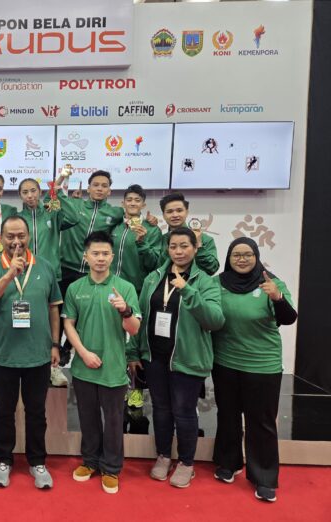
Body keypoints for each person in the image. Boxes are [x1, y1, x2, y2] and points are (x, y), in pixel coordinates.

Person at [127, 227, 224, 488]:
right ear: (167, 249)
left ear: (195, 248)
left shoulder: (205, 281)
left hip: (187, 358)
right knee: (161, 409)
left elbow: (215, 320)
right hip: (155, 357)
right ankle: (163, 455)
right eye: (173, 246)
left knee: (184, 411)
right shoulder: (153, 278)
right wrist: (133, 351)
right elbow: (140, 316)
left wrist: (188, 291)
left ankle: (186, 462)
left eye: (184, 246)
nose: (178, 251)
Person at [0, 215, 62, 490]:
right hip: (4, 356)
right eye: (10, 236)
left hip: (38, 355)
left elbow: (53, 308)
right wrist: (8, 275)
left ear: (29, 236)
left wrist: (55, 344)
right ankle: (3, 460)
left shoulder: (45, 267)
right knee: (4, 411)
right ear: (0, 238)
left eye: (21, 236)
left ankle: (37, 462)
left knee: (36, 411)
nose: (16, 241)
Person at [212, 238, 297, 503]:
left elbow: (288, 318)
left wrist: (277, 298)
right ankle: (229, 463)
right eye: (236, 254)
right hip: (225, 361)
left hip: (262, 365)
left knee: (261, 422)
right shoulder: (217, 283)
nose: (242, 259)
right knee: (228, 415)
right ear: (229, 258)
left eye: (247, 254)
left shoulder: (271, 282)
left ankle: (264, 477)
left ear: (256, 256)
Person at [62, 231, 141, 494]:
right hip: (83, 366)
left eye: (105, 253)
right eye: (95, 253)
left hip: (114, 367)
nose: (100, 258)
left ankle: (111, 468)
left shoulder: (125, 288)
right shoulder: (75, 288)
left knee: (114, 421)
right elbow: (68, 324)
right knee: (88, 418)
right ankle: (90, 462)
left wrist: (125, 310)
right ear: (85, 257)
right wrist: (83, 353)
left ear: (112, 256)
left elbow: (134, 329)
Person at [17, 177, 79, 387]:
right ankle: (25, 365)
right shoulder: (18, 218)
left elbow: (74, 217)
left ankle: (54, 367)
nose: (30, 195)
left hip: (51, 276)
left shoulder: (52, 212)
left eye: (33, 190)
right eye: (25, 192)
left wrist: (59, 192)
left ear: (40, 191)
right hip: (23, 277)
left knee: (53, 323)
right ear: (20, 195)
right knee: (24, 320)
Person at [110, 184, 161, 408]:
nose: (132, 203)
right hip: (112, 290)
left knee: (135, 343)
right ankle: (119, 391)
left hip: (137, 291)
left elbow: (154, 263)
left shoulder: (152, 230)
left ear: (143, 204)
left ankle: (136, 396)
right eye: (129, 199)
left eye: (137, 200)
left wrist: (143, 241)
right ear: (123, 203)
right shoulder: (114, 227)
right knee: (114, 339)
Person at [157, 193, 219, 275]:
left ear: (187, 212)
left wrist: (199, 246)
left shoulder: (204, 239)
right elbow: (155, 268)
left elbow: (212, 268)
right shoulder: (160, 240)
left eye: (179, 210)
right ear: (164, 215)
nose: (175, 215)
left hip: (196, 283)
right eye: (169, 212)